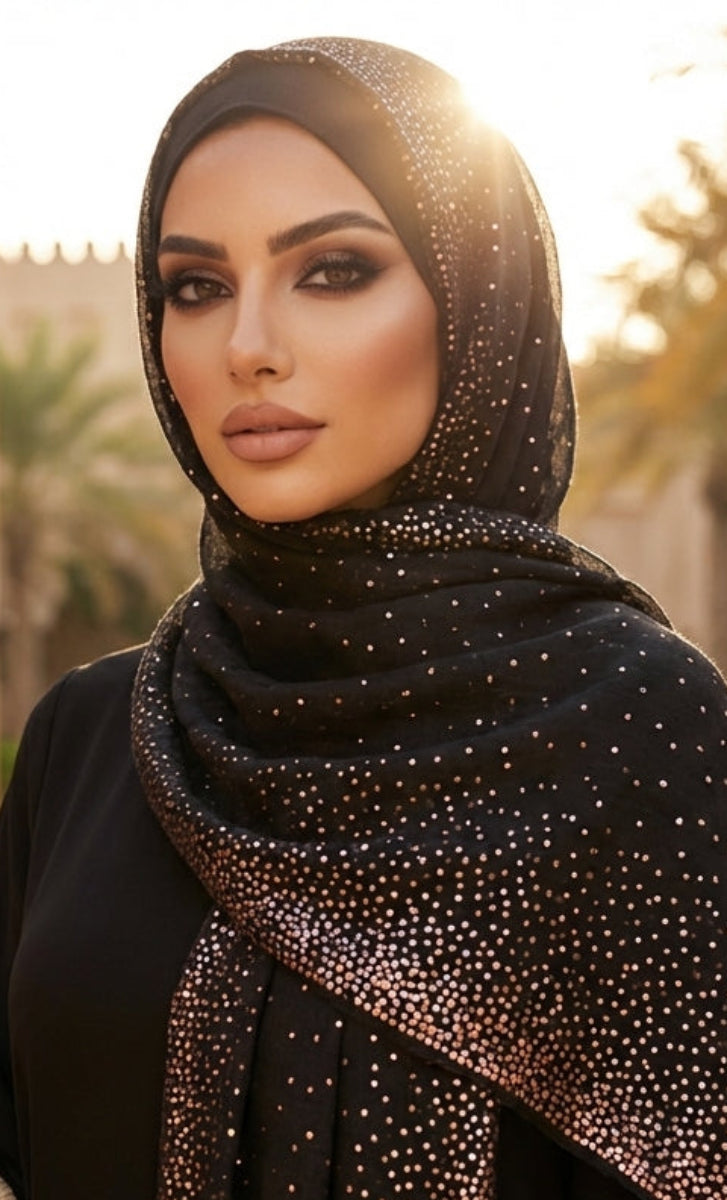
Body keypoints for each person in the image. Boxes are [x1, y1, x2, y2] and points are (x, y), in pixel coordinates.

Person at [1, 35, 725, 1200]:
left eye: (332, 270)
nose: (248, 349)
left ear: (476, 298)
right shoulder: (91, 744)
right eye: (195, 287)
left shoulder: (643, 740)